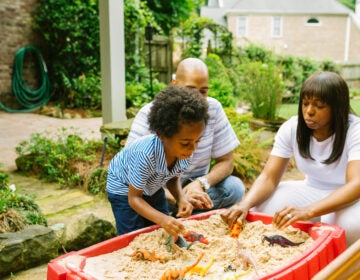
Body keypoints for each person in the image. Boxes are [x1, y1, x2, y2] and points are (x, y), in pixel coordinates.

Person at [221, 71, 360, 246]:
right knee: (261, 208)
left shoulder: (355, 131)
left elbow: (356, 185)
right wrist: (245, 204)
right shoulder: (292, 127)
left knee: (348, 227)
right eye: (305, 103)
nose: (309, 111)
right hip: (311, 189)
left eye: (319, 106)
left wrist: (309, 211)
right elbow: (269, 177)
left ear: (337, 107)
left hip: (351, 198)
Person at [127, 57, 245, 213]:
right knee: (148, 198)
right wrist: (179, 198)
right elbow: (132, 174)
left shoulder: (213, 108)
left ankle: (186, 209)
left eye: (203, 91)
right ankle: (185, 209)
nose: (196, 97)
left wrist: (201, 184)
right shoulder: (151, 114)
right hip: (159, 191)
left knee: (234, 188)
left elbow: (226, 161)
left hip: (194, 187)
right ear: (174, 85)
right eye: (190, 89)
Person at [106, 85, 209, 235]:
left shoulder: (184, 152)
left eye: (197, 141)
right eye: (185, 143)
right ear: (162, 134)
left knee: (162, 231)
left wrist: (181, 199)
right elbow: (134, 199)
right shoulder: (145, 155)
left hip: (152, 186)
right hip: (123, 188)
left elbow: (172, 179)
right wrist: (162, 219)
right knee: (134, 235)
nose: (192, 149)